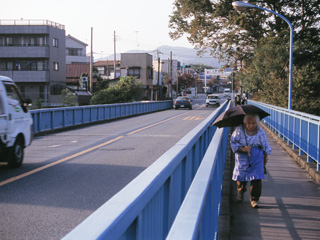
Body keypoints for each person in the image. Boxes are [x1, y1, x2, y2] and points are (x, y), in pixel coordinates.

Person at [230, 114, 272, 208]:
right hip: (242, 157)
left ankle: (254, 199)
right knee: (241, 177)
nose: (251, 125)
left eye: (254, 123)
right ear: (245, 122)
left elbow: (265, 144)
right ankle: (241, 190)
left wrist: (265, 156)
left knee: (256, 179)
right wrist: (242, 148)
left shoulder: (260, 132)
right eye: (249, 123)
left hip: (256, 157)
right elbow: (232, 142)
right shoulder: (239, 131)